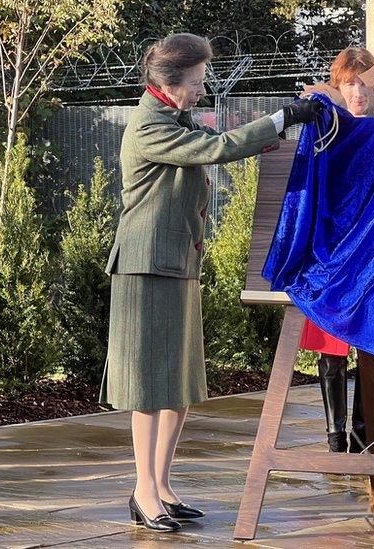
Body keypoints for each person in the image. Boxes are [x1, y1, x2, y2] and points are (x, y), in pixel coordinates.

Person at [100, 33, 321, 532]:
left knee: (178, 383)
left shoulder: (170, 118)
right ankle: (142, 491)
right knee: (148, 386)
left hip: (176, 262)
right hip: (145, 266)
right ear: (170, 82)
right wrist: (282, 119)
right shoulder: (148, 126)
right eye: (198, 81)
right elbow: (218, 148)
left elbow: (215, 144)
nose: (203, 89)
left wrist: (285, 124)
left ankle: (161, 486)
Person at [301, 46, 374, 455]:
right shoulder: (326, 131)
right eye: (349, 83)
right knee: (331, 349)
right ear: (337, 87)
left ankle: (364, 434)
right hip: (331, 257)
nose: (358, 91)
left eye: (363, 81)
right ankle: (336, 438)